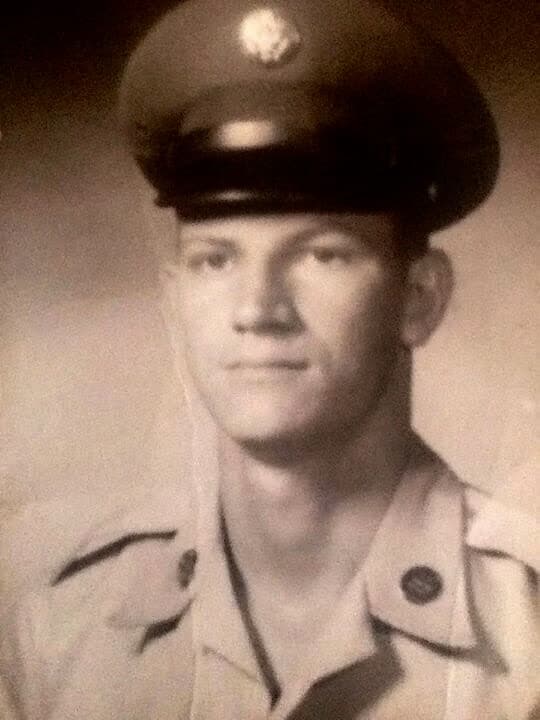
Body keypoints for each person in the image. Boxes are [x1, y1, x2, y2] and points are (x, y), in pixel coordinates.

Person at [1, 1, 538, 718]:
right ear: (175, 301)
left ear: (419, 296)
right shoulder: (62, 631)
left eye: (322, 253)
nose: (258, 308)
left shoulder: (527, 631)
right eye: (215, 260)